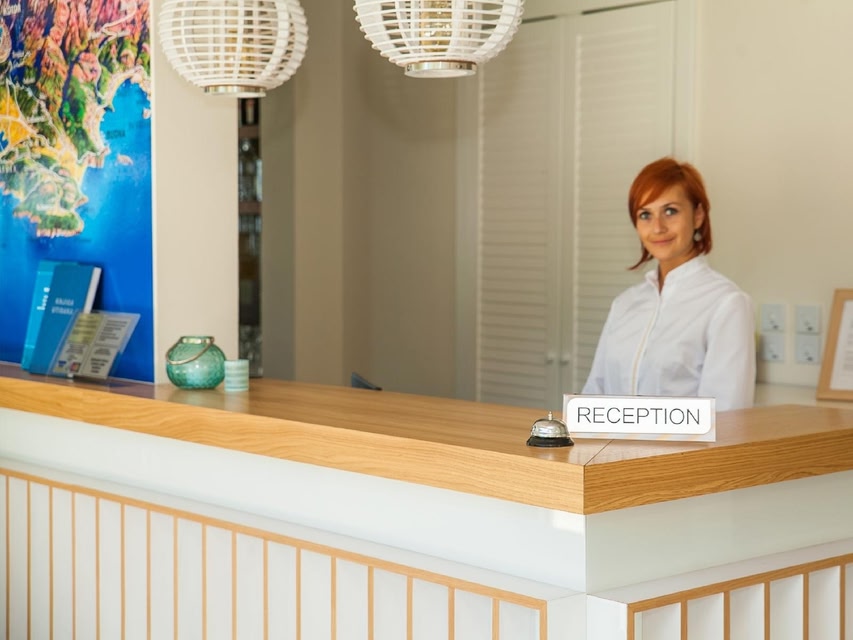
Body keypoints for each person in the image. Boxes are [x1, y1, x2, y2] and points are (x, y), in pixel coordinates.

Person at [582, 157, 755, 411]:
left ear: (698, 215)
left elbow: (727, 415)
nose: (658, 227)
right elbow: (593, 395)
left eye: (671, 211)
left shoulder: (727, 304)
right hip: (610, 440)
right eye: (645, 215)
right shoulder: (624, 304)